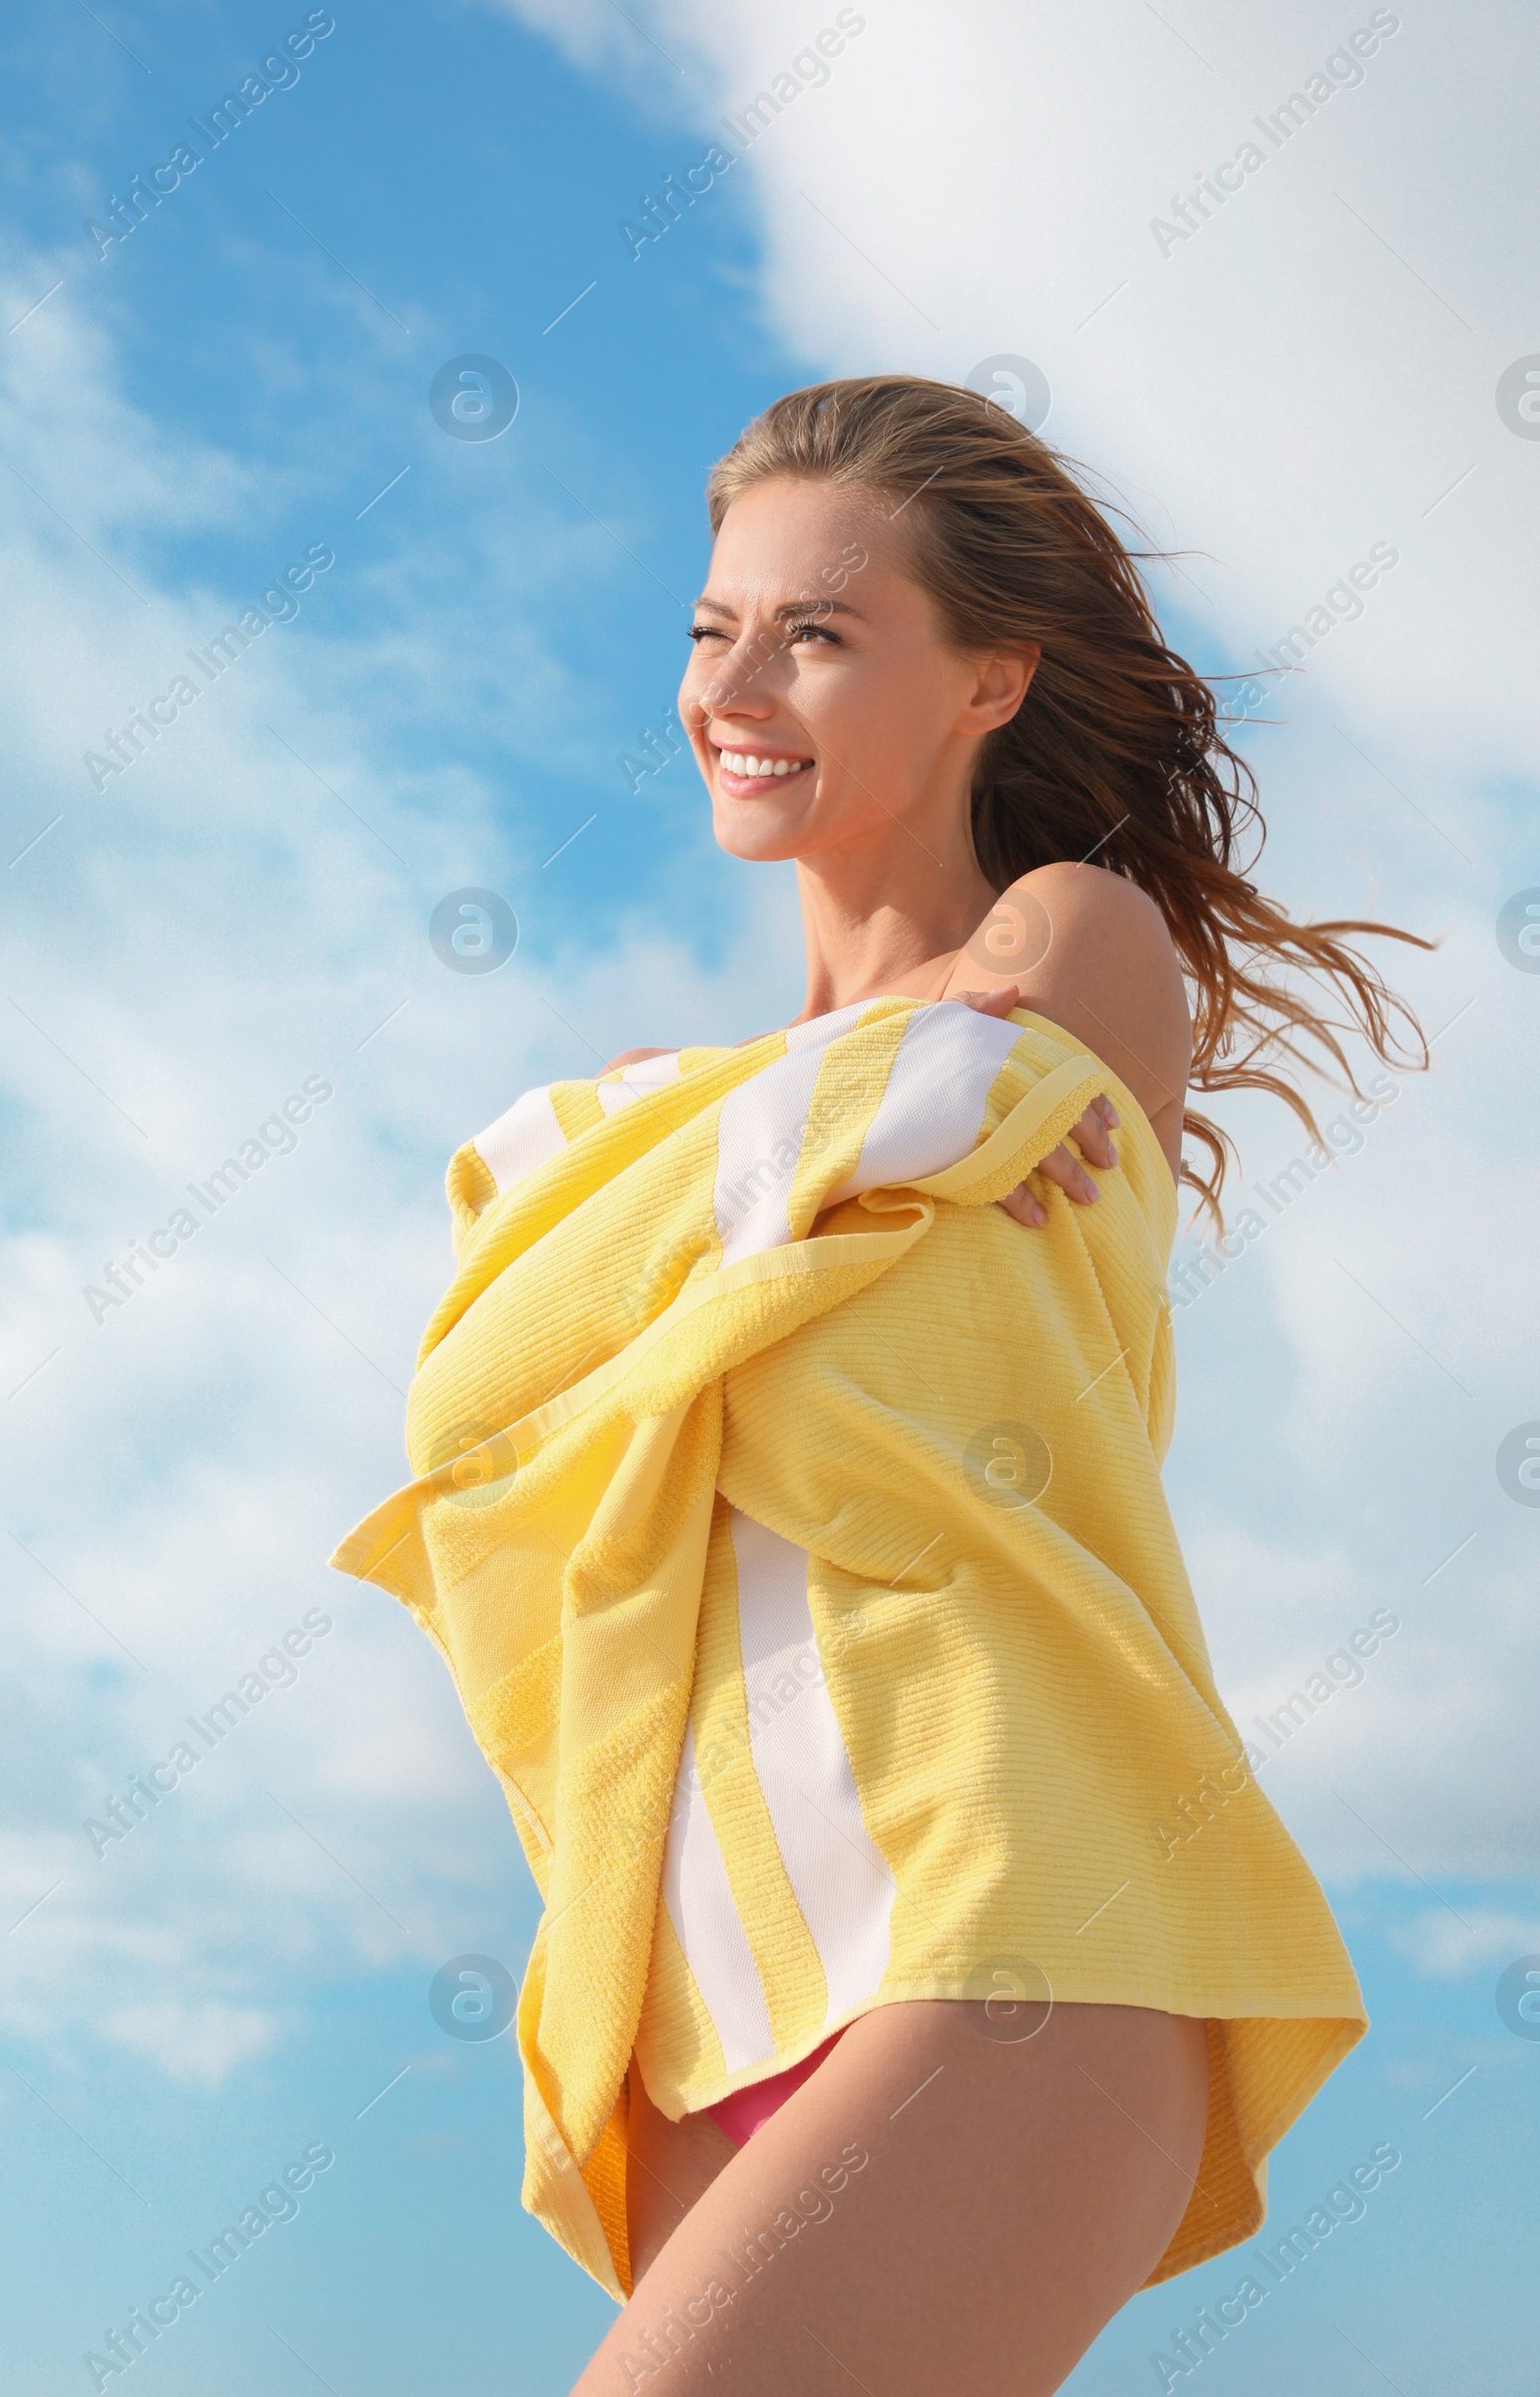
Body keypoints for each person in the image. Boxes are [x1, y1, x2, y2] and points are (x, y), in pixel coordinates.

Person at [333, 376, 1426, 2396]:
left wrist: (768, 1153)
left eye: (817, 634)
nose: (733, 684)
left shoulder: (1072, 933)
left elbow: (967, 1065)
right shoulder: (657, 1115)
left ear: (990, 682)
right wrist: (821, 1136)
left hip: (1019, 1917)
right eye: (708, 626)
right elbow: (486, 1377)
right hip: (699, 2000)